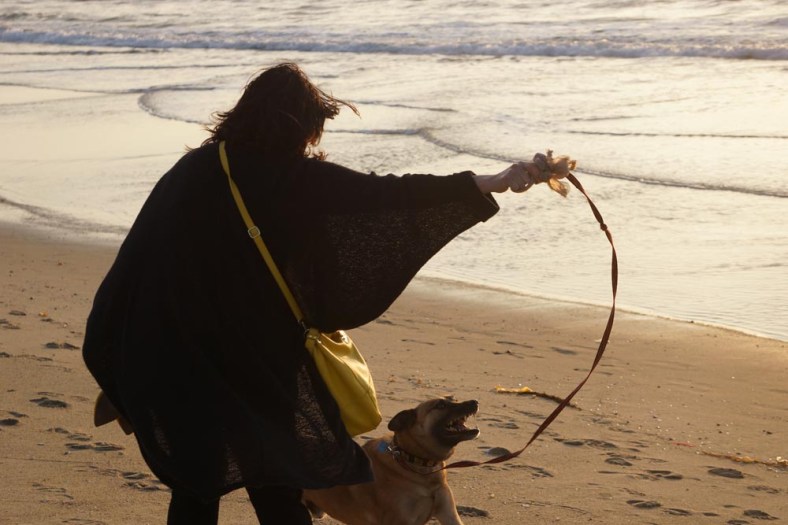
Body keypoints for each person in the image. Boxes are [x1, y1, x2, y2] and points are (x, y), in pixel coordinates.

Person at [82, 62, 547, 524]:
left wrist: (123, 358)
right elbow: (388, 196)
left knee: (195, 487)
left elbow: (137, 260)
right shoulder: (295, 178)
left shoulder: (195, 169)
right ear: (301, 125)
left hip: (173, 353)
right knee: (277, 482)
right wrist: (493, 182)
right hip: (257, 361)